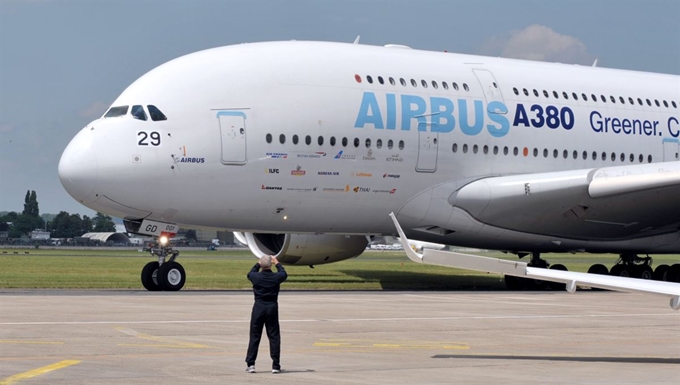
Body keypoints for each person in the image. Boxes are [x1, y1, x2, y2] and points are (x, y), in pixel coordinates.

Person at [245, 255, 287, 374]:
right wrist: (277, 263)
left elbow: (250, 273)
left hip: (259, 306)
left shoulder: (256, 277)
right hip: (272, 307)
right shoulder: (276, 277)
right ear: (270, 265)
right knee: (274, 336)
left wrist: (258, 264)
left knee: (255, 336)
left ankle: (251, 364)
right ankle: (276, 364)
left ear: (261, 265)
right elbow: (284, 273)